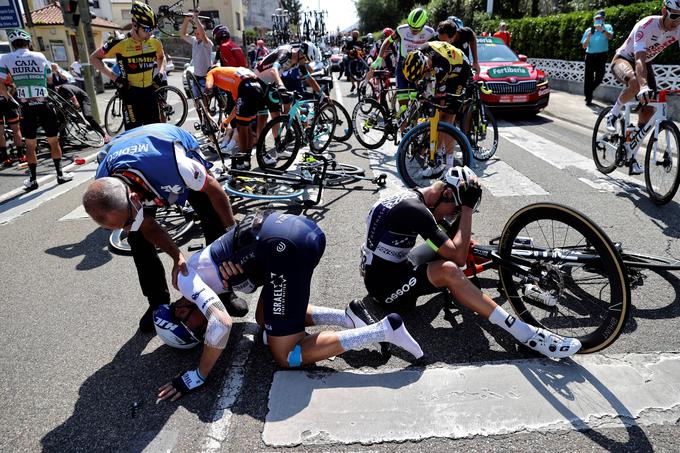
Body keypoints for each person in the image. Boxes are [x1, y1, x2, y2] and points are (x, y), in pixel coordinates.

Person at [155, 210, 424, 401]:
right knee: (264, 317)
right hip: (296, 231)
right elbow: (247, 262)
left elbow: (221, 324)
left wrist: (198, 375)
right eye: (199, 336)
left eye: (194, 330)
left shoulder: (186, 283)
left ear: (180, 310)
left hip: (286, 248)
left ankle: (383, 330)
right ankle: (348, 317)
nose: (201, 333)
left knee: (285, 356)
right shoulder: (199, 274)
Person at [358, 166, 582, 359]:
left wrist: (462, 211)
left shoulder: (410, 197)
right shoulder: (416, 212)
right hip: (385, 290)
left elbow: (458, 246)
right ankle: (525, 334)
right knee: (449, 269)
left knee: (465, 243)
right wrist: (466, 210)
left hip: (392, 267)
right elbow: (457, 257)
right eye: (454, 210)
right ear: (446, 193)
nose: (451, 217)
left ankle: (521, 268)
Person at [82, 123, 247, 334]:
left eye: (125, 223)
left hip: (166, 147)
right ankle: (157, 301)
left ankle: (222, 292)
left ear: (134, 199)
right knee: (137, 240)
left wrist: (231, 231)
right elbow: (145, 224)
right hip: (130, 153)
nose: (126, 228)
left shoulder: (177, 164)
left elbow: (214, 190)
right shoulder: (103, 182)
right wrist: (178, 257)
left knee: (212, 218)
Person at [605, 0, 680, 175]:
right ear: (664, 11)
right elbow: (638, 59)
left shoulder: (678, 27)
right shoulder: (646, 25)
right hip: (625, 59)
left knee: (649, 109)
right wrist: (643, 85)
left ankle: (631, 151)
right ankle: (613, 113)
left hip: (646, 63)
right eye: (675, 15)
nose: (677, 21)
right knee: (634, 82)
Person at [0, 29, 72, 191]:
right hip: (43, 103)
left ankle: (33, 180)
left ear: (12, 45)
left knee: (30, 145)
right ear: (28, 43)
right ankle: (60, 175)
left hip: (26, 107)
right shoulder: (39, 56)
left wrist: (9, 98)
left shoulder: (6, 58)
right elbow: (49, 79)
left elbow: (1, 81)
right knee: (53, 140)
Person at [402, 37, 472, 177]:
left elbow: (439, 99)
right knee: (437, 118)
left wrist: (428, 98)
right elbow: (422, 80)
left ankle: (449, 165)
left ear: (426, 67)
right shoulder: (419, 52)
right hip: (443, 63)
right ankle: (437, 162)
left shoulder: (441, 66)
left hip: (459, 73)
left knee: (446, 121)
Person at [90, 1, 165, 131]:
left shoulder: (154, 42)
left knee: (155, 132)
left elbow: (161, 57)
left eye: (151, 29)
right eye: (146, 29)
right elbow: (94, 58)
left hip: (149, 92)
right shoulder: (120, 42)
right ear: (135, 25)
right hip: (130, 94)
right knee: (134, 135)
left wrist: (160, 73)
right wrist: (116, 78)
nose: (149, 34)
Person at [205, 66, 271, 166]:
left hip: (245, 87)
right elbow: (237, 107)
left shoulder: (212, 72)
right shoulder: (233, 73)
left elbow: (208, 86)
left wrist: (207, 92)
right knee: (246, 125)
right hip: (258, 87)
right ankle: (247, 160)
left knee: (242, 128)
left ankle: (241, 162)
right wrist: (227, 121)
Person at [373, 8, 436, 112]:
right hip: (402, 66)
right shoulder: (401, 29)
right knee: (403, 107)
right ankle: (403, 125)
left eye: (416, 29)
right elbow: (387, 41)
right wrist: (379, 58)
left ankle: (415, 127)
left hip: (419, 68)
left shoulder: (430, 32)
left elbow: (436, 48)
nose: (413, 31)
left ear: (424, 24)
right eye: (411, 28)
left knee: (415, 104)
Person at [581, 13, 613, 106]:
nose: (598, 19)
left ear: (603, 19)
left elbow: (610, 37)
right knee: (588, 78)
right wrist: (588, 37)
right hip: (590, 55)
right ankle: (588, 98)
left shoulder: (607, 27)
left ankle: (589, 90)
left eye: (600, 18)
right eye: (596, 18)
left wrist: (602, 30)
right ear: (593, 20)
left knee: (600, 77)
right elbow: (584, 46)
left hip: (601, 55)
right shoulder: (588, 30)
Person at [180, 9, 213, 95]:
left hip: (206, 76)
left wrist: (196, 18)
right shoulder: (194, 41)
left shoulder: (207, 43)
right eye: (195, 34)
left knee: (206, 98)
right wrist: (186, 20)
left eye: (198, 34)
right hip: (196, 76)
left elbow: (202, 33)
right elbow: (182, 35)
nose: (196, 35)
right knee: (196, 99)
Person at [0, 76, 25, 167]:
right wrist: (9, 96)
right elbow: (13, 87)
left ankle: (5, 158)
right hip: (7, 102)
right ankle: (21, 156)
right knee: (16, 130)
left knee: (0, 132)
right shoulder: (3, 70)